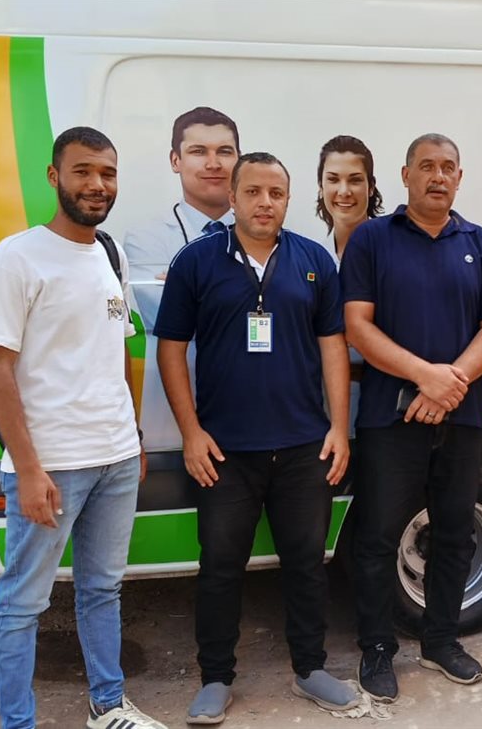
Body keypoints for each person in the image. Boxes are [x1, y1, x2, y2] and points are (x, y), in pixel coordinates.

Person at [155, 152, 359, 724]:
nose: (264, 202)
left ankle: (310, 668)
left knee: (306, 564)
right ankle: (215, 678)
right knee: (221, 567)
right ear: (233, 197)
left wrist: (338, 428)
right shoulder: (197, 261)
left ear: (288, 200)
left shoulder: (313, 260)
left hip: (303, 448)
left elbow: (333, 347)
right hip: (225, 453)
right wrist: (191, 433)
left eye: (276, 193)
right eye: (253, 192)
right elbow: (170, 349)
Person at [0, 126, 165, 729]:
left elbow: (120, 350)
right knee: (21, 604)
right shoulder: (18, 256)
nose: (97, 184)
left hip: (116, 458)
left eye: (107, 173)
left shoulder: (110, 253)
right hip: (52, 466)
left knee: (102, 590)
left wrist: (133, 437)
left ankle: (108, 706)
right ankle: (18, 723)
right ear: (54, 176)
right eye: (83, 171)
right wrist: (28, 469)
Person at [341, 133, 482, 701]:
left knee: (455, 532)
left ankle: (441, 640)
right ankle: (376, 649)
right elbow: (357, 325)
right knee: (376, 536)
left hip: (461, 416)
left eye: (448, 168)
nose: (438, 176)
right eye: (427, 166)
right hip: (391, 419)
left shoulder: (479, 243)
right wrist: (423, 376)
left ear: (459, 178)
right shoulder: (372, 239)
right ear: (406, 175)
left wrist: (448, 383)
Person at [123, 107, 241, 452]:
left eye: (224, 151)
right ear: (176, 160)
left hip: (253, 421)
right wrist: (244, 294)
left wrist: (189, 286)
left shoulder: (270, 236)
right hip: (173, 430)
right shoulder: (145, 239)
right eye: (198, 151)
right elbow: (170, 316)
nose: (213, 163)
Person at [315, 134, 385, 438]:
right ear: (321, 187)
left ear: (370, 187)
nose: (344, 191)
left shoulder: (394, 250)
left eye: (355, 180)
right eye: (333, 179)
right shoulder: (311, 257)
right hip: (323, 410)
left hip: (384, 406)